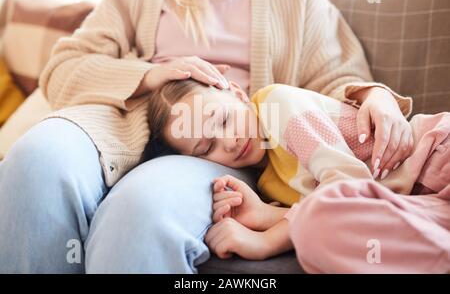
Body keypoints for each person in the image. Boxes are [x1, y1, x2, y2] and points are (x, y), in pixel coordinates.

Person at [0, 0, 415, 273]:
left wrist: (373, 95)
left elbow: (333, 80)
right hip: (117, 120)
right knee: (34, 160)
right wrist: (150, 74)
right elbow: (62, 69)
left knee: (143, 210)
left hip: (210, 151)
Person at [145, 78, 450, 273]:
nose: (229, 141)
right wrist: (266, 214)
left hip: (435, 157)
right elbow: (333, 212)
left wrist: (266, 240)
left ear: (237, 93)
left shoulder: (275, 105)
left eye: (224, 120)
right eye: (207, 147)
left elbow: (348, 185)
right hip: (420, 200)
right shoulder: (267, 179)